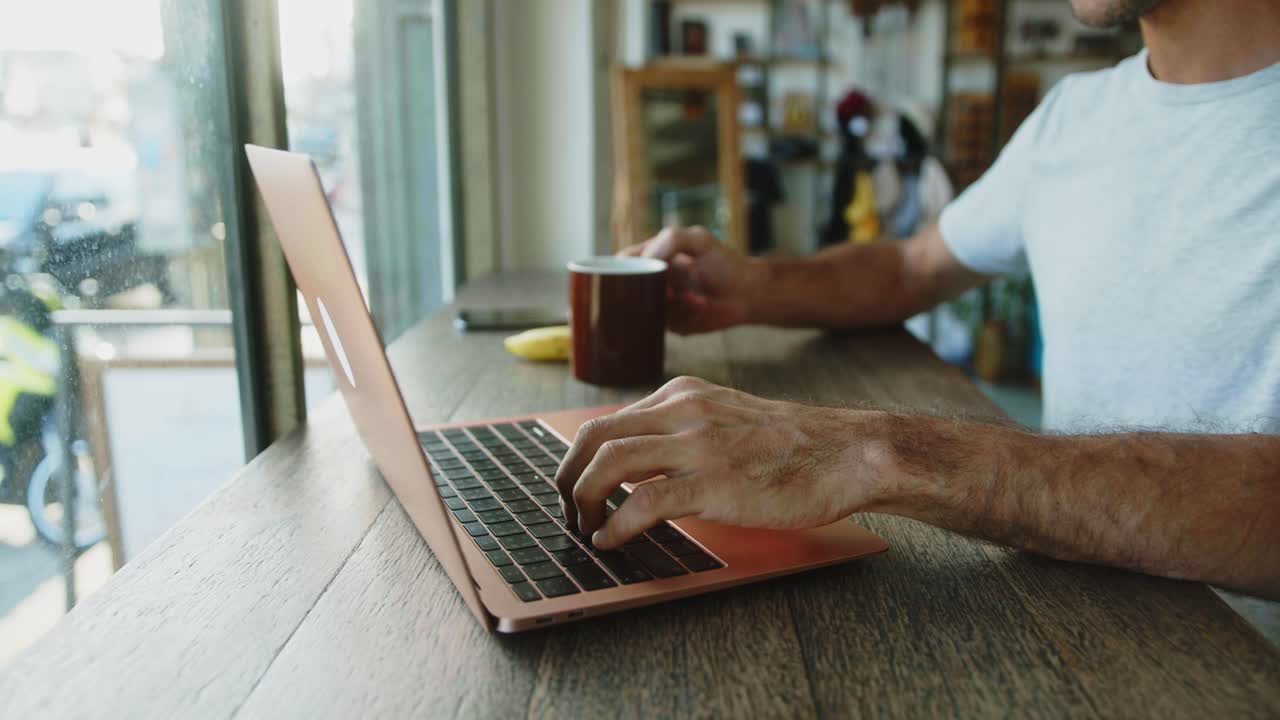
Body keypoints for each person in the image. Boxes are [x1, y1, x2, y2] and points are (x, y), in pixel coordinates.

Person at [555, 0, 1280, 604]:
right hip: (1067, 618)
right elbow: (912, 265)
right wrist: (747, 286)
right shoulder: (1077, 115)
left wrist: (879, 454)